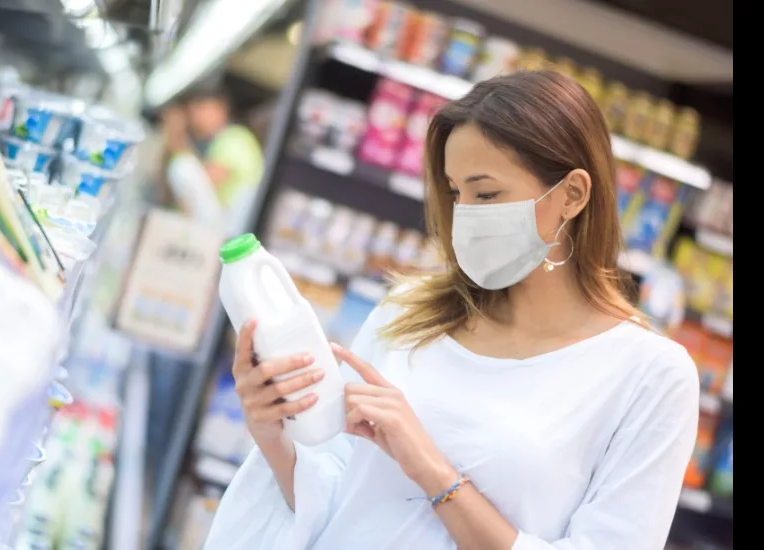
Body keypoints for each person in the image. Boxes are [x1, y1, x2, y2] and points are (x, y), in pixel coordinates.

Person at [204, 70, 699, 550]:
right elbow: (333, 493)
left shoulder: (649, 375)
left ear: (571, 195)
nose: (466, 215)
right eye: (457, 193)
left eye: (487, 193)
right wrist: (273, 434)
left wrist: (432, 471)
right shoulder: (408, 313)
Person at [161, 87, 264, 235]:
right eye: (191, 113)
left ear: (220, 108)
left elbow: (207, 183)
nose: (194, 119)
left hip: (233, 226)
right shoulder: (223, 140)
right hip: (230, 222)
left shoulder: (234, 137)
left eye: (200, 109)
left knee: (182, 166)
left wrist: (176, 133)